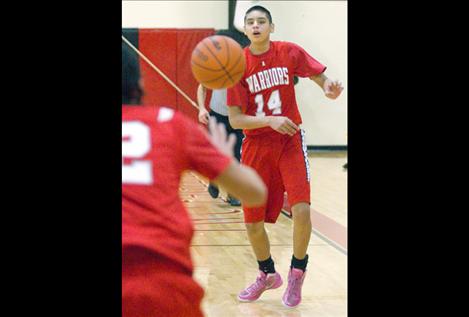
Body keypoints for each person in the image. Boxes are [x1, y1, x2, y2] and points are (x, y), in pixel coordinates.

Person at [122, 43, 267, 317]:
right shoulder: (170, 123)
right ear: (139, 82)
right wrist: (225, 159)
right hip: (165, 288)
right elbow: (256, 193)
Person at [226, 5, 344, 308]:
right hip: (256, 146)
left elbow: (318, 75)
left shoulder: (288, 52)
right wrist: (269, 120)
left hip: (290, 140)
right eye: (250, 22)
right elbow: (236, 120)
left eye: (261, 21)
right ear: (245, 29)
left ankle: (296, 271)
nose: (255, 26)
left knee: (302, 209)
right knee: (252, 223)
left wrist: (327, 87)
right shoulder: (238, 64)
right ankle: (267, 273)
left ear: (271, 27)